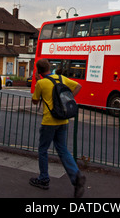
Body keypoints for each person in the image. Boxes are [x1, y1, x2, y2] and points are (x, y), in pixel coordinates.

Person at [30, 58, 86, 198]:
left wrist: (37, 81)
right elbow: (78, 86)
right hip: (63, 120)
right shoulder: (61, 78)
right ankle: (76, 176)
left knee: (43, 150)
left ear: (39, 70)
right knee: (62, 149)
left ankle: (44, 179)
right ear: (49, 67)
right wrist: (66, 101)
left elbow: (35, 101)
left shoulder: (41, 83)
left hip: (49, 121)